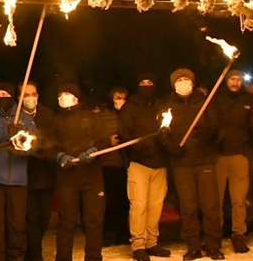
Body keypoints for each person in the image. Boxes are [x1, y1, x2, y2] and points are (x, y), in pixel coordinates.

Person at [160, 69, 223, 260]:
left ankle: (213, 246)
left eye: (186, 79)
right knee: (188, 207)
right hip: (181, 164)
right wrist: (172, 147)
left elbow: (217, 127)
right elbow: (163, 132)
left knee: (210, 205)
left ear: (193, 82)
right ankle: (193, 246)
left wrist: (207, 135)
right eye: (179, 80)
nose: (183, 82)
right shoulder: (168, 106)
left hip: (204, 160)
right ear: (173, 84)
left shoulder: (204, 102)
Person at [0, 82, 39, 261]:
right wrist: (7, 132)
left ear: (12, 96)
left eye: (5, 94)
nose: (1, 97)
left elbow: (36, 142)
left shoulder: (24, 118)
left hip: (17, 181)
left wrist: (26, 145)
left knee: (17, 228)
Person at [48, 82, 111, 261]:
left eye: (67, 94)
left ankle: (93, 257)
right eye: (60, 94)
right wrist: (59, 156)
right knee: (67, 223)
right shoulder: (55, 120)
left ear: (76, 98)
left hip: (92, 178)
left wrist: (93, 151)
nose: (63, 97)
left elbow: (104, 140)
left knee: (94, 222)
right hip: (67, 179)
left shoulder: (91, 118)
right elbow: (47, 146)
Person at [119, 73, 171, 261]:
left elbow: (168, 128)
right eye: (143, 83)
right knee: (139, 204)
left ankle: (151, 242)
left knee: (156, 205)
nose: (147, 86)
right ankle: (138, 244)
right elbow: (123, 132)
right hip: (139, 162)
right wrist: (139, 147)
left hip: (160, 163)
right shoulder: (130, 107)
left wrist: (165, 140)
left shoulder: (162, 105)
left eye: (150, 83)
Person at [214, 68, 253, 253]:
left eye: (238, 79)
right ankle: (215, 235)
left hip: (239, 155)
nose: (235, 82)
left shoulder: (248, 101)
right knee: (216, 199)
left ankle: (238, 234)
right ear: (226, 81)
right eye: (232, 79)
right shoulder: (216, 99)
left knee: (239, 199)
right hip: (218, 156)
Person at [21, 81, 56, 261]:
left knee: (43, 217)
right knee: (31, 219)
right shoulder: (16, 117)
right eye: (26, 95)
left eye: (32, 94)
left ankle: (32, 251)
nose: (30, 98)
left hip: (46, 174)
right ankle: (35, 254)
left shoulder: (48, 115)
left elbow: (52, 139)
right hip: (26, 176)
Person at [96, 86, 130, 247]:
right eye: (118, 97)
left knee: (124, 200)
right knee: (110, 201)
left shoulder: (128, 114)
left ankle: (123, 232)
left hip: (126, 162)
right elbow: (99, 135)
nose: (120, 101)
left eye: (123, 97)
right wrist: (108, 140)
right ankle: (108, 233)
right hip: (109, 162)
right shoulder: (104, 115)